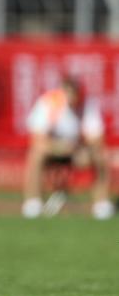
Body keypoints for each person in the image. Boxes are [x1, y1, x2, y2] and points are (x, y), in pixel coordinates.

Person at [22, 77, 115, 220]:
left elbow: (96, 138)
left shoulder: (87, 104)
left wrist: (85, 150)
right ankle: (33, 202)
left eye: (74, 94)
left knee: (100, 156)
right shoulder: (49, 103)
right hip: (53, 150)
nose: (71, 98)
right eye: (67, 93)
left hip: (77, 150)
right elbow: (38, 139)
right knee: (36, 154)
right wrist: (59, 147)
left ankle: (101, 204)